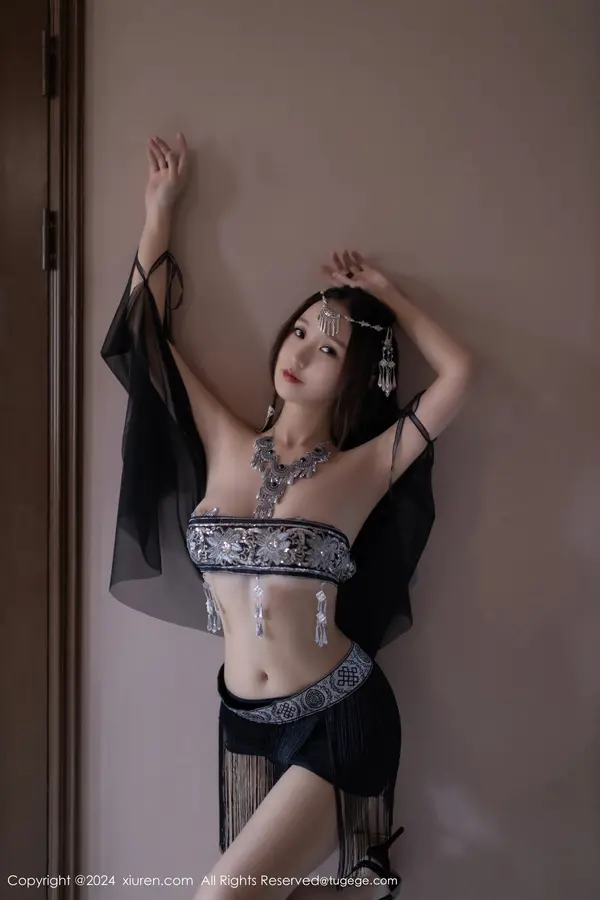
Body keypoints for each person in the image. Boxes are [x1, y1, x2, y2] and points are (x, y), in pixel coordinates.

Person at [101, 132, 474, 900]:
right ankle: (361, 890)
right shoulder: (222, 437)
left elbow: (461, 373)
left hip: (340, 712)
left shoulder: (364, 468)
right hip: (241, 719)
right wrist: (159, 213)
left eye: (328, 350)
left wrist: (385, 294)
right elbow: (143, 335)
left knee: (222, 896)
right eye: (300, 331)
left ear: (356, 373)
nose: (300, 353)